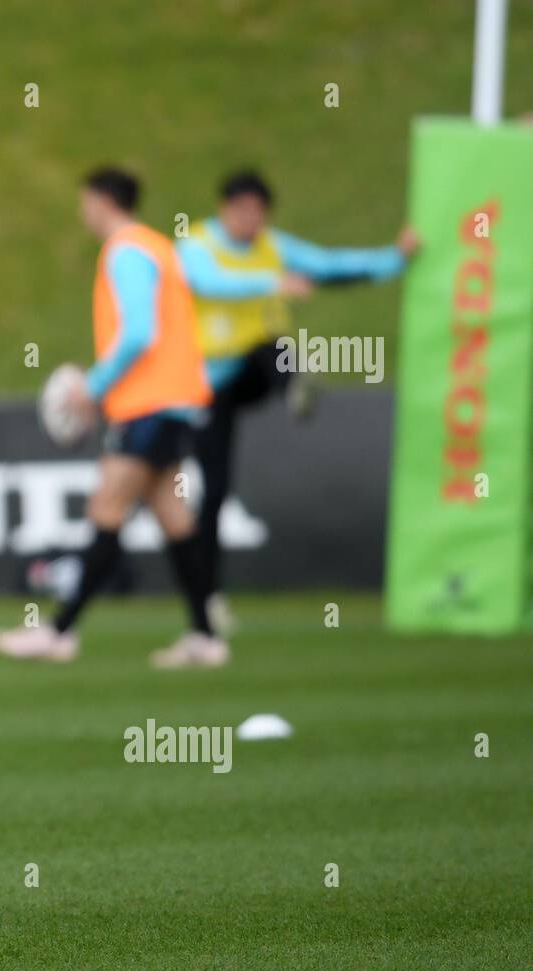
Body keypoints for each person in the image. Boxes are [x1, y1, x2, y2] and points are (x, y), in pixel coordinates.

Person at [0, 168, 225, 669]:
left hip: (150, 405)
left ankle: (59, 631)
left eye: (86, 202)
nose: (83, 212)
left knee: (106, 509)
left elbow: (140, 332)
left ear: (101, 201)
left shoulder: (126, 251)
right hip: (176, 401)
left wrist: (91, 387)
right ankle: (205, 635)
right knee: (175, 519)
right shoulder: (159, 246)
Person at [177, 170, 418, 630]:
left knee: (275, 346)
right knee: (215, 491)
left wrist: (396, 258)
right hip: (205, 382)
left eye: (258, 211)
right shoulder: (196, 245)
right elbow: (208, 282)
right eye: (242, 210)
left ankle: (294, 387)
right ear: (224, 209)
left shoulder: (273, 246)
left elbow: (329, 265)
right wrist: (272, 283)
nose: (250, 220)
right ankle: (207, 599)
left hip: (253, 370)